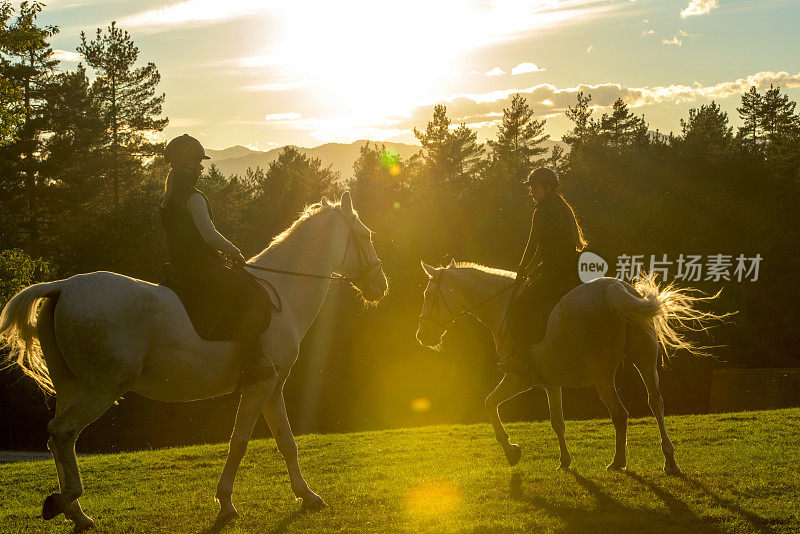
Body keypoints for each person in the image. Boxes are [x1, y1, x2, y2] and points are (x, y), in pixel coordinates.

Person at [160, 134, 275, 386]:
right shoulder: (194, 197)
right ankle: (251, 364)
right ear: (187, 163)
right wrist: (234, 251)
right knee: (251, 296)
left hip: (179, 268)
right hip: (201, 268)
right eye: (198, 162)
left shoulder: (168, 198)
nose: (202, 167)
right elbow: (209, 235)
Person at [500, 166, 588, 375]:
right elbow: (560, 247)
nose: (531, 191)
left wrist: (522, 269)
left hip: (555, 274)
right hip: (571, 269)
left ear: (548, 187)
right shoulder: (561, 207)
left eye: (535, 187)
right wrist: (541, 265)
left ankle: (521, 358)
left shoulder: (542, 211)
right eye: (530, 188)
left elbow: (533, 244)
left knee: (519, 307)